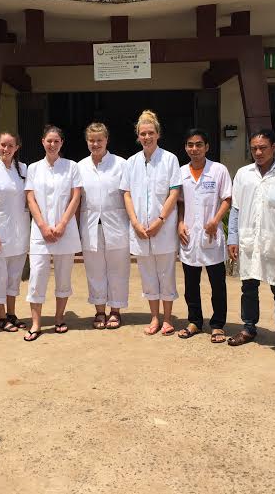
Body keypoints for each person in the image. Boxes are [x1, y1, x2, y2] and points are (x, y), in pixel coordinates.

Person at [226, 128, 275, 356]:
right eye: (254, 148)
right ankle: (249, 328)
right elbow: (236, 208)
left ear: (273, 147)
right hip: (248, 239)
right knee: (248, 287)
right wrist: (233, 237)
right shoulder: (243, 174)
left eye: (263, 148)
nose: (258, 152)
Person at [121, 110, 181, 336]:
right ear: (138, 136)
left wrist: (160, 220)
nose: (147, 137)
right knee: (147, 275)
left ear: (158, 134)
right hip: (140, 229)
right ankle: (154, 317)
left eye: (150, 133)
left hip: (163, 228)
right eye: (143, 133)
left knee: (166, 274)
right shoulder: (131, 162)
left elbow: (174, 192)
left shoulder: (170, 159)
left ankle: (168, 318)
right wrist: (135, 223)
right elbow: (127, 194)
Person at [23, 125, 82, 341]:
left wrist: (63, 224)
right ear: (42, 142)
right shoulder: (33, 168)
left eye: (56, 141)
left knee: (63, 276)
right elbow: (30, 198)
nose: (52, 144)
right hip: (40, 232)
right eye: (49, 140)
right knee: (37, 275)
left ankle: (59, 318)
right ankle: (36, 323)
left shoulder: (72, 167)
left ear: (61, 143)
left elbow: (76, 197)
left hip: (64, 230)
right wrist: (42, 226)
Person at [176, 129, 231, 342]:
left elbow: (227, 198)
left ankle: (217, 325)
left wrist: (215, 220)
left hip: (211, 235)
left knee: (218, 284)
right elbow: (180, 202)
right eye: (190, 145)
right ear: (185, 148)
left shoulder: (218, 170)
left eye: (199, 144)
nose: (194, 149)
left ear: (207, 147)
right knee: (191, 284)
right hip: (189, 235)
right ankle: (195, 321)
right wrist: (180, 223)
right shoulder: (181, 172)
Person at [78, 122, 130, 330]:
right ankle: (100, 311)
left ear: (107, 140)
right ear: (86, 141)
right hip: (90, 225)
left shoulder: (121, 164)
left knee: (118, 270)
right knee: (94, 270)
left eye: (99, 140)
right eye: (91, 140)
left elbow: (129, 196)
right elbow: (76, 199)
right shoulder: (80, 166)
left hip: (116, 224)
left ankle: (115, 311)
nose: (95, 144)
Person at [0, 132, 30, 332]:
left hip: (20, 231)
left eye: (10, 145)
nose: (6, 149)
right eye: (3, 145)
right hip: (0, 232)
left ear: (17, 147)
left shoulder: (23, 169)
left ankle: (12, 313)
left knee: (14, 276)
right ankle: (2, 317)